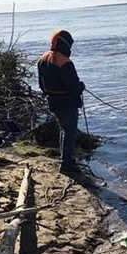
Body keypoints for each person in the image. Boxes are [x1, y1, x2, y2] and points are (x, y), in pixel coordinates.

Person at [38, 29, 85, 174]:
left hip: (53, 102)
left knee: (64, 131)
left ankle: (65, 159)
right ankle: (67, 165)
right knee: (70, 133)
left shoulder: (43, 58)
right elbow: (74, 87)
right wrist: (82, 86)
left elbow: (41, 85)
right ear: (65, 44)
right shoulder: (65, 63)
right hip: (67, 103)